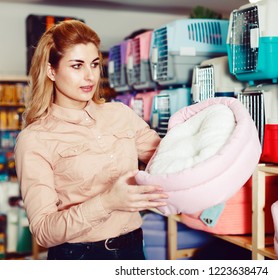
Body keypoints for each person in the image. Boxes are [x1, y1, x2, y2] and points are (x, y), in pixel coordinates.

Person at [14, 20, 168, 260]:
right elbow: (43, 231)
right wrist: (107, 202)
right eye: (77, 66)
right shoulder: (35, 139)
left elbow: (167, 158)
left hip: (134, 249)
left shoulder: (121, 114)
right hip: (80, 257)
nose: (89, 76)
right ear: (51, 71)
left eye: (94, 65)